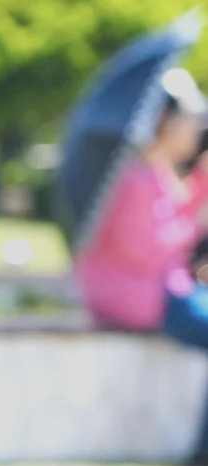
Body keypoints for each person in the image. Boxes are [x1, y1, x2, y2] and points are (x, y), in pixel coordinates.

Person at [76, 67, 208, 353]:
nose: (197, 127)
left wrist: (201, 182)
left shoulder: (153, 169)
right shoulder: (133, 178)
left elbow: (173, 215)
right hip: (140, 295)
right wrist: (197, 222)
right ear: (164, 119)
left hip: (164, 290)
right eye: (191, 119)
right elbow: (148, 248)